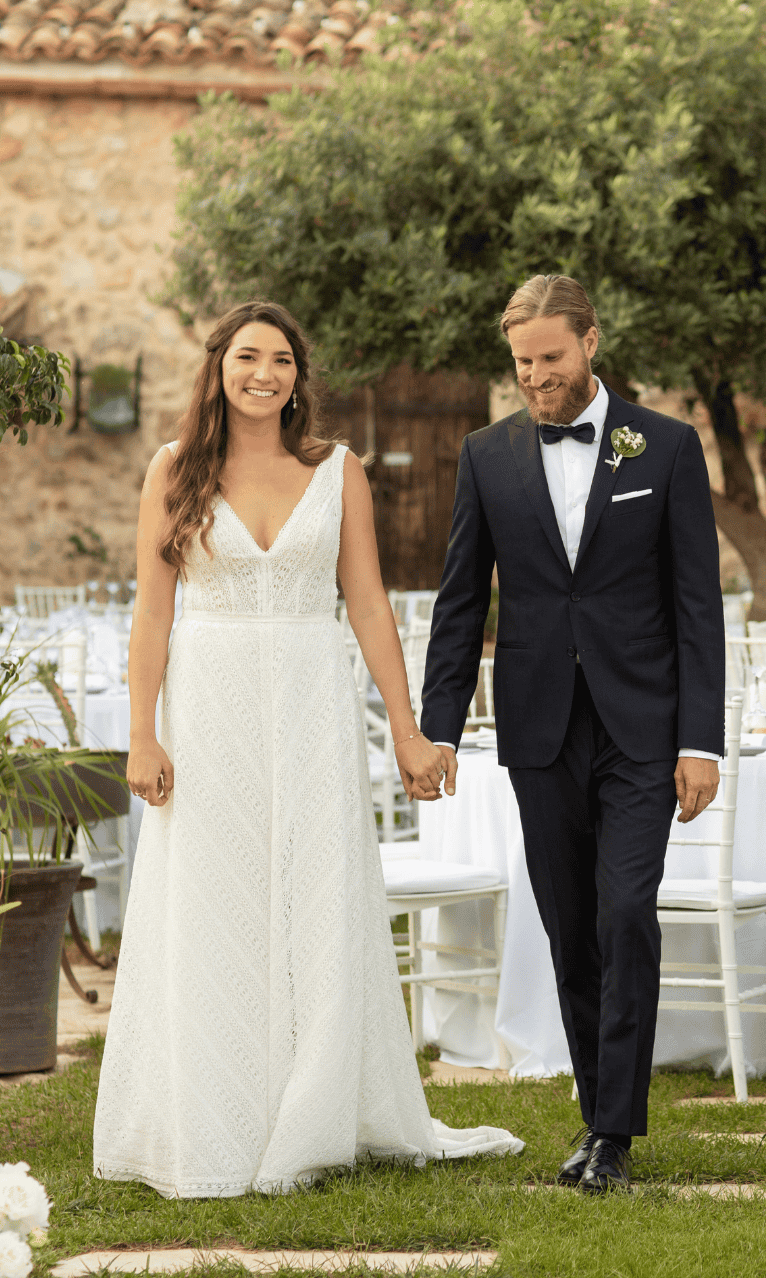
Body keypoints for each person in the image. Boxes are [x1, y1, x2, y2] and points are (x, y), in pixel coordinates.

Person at [93, 301, 522, 1198]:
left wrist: (407, 728)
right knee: (216, 901)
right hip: (206, 710)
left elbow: (367, 604)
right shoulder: (172, 470)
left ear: (299, 376)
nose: (265, 373)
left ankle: (315, 1107)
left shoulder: (337, 471)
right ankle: (218, 1109)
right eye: (248, 356)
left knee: (317, 897)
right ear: (218, 367)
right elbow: (153, 612)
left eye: (282, 360)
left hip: (309, 704)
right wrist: (142, 734)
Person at [420, 275, 725, 1193]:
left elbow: (696, 605)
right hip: (538, 726)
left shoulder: (666, 447)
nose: (536, 377)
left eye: (551, 358)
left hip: (644, 726)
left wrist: (700, 740)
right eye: (522, 362)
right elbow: (461, 598)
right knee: (568, 928)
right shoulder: (486, 455)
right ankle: (600, 1120)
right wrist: (438, 728)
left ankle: (617, 1136)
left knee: (625, 913)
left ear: (591, 341)